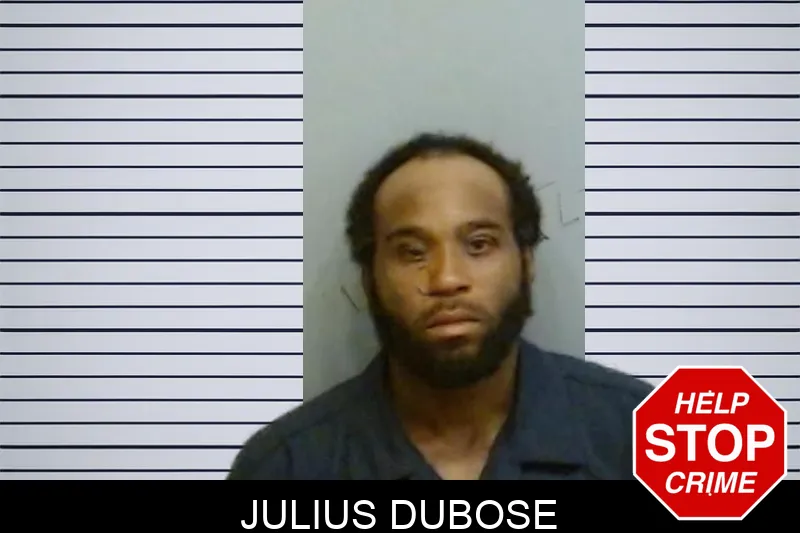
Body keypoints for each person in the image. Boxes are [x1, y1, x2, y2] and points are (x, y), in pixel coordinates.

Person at [227, 132, 652, 480]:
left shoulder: (646, 437)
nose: (447, 279)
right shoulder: (285, 467)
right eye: (412, 252)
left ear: (526, 262)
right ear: (368, 278)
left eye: (479, 244)